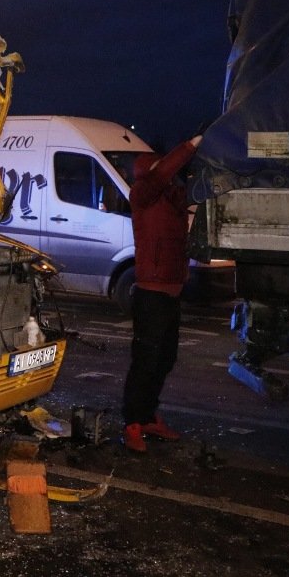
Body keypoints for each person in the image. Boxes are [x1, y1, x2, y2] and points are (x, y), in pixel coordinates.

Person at [122, 134, 202, 453]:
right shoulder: (142, 192)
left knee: (165, 359)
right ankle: (132, 423)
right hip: (151, 293)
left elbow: (188, 193)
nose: (165, 172)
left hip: (171, 290)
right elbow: (161, 173)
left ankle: (148, 415)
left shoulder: (170, 197)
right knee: (145, 361)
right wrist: (189, 146)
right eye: (158, 167)